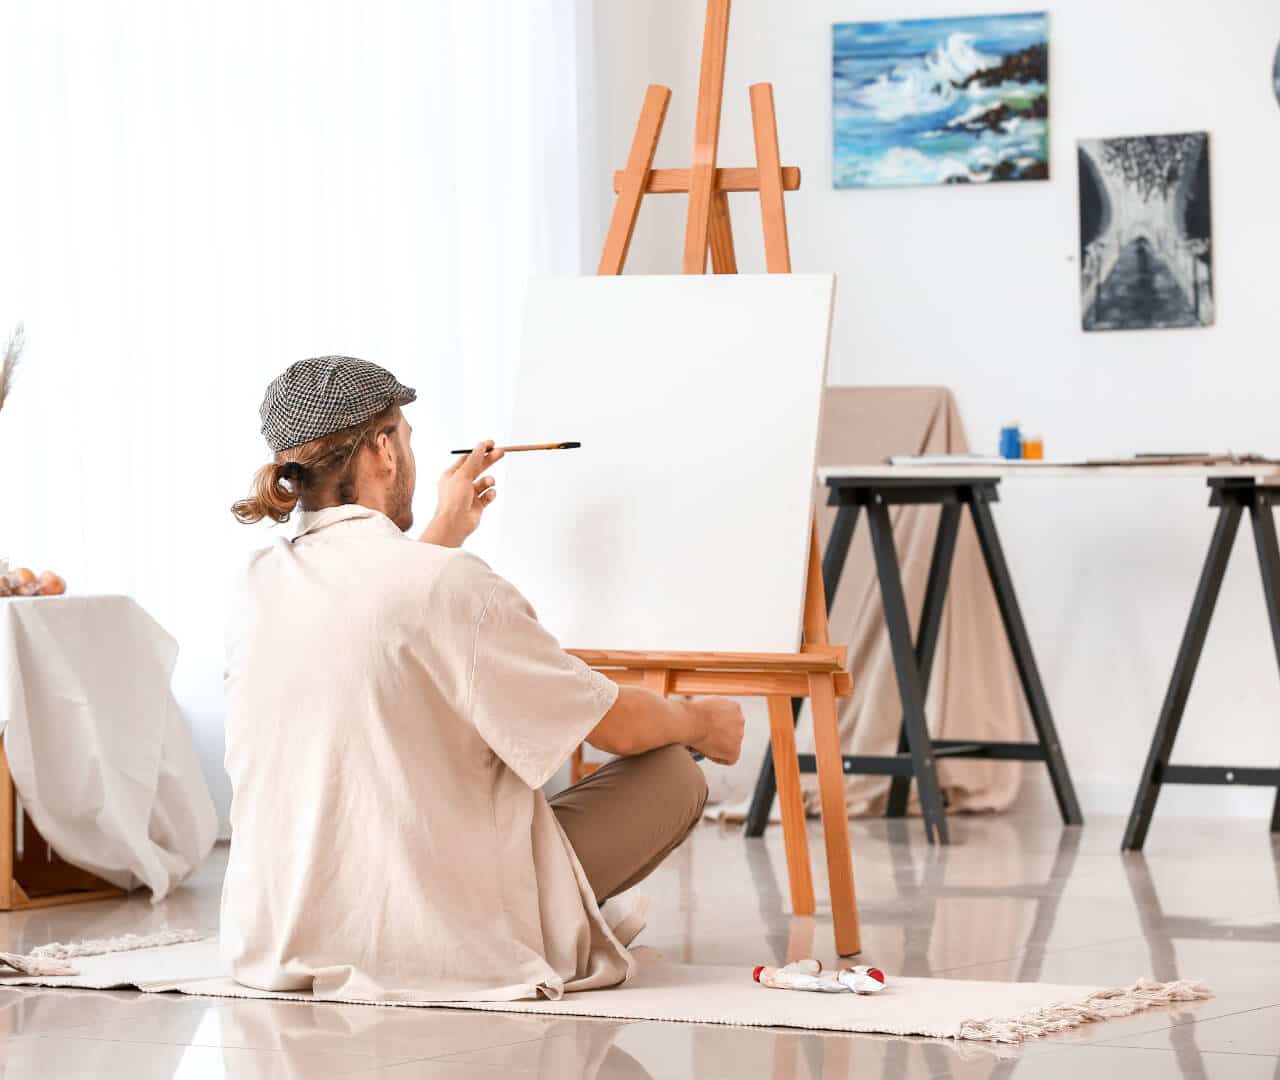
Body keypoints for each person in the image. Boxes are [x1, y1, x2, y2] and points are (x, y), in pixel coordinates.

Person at [222, 355, 745, 1002]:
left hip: (281, 934)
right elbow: (618, 728)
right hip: (438, 937)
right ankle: (561, 925)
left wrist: (445, 531)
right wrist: (704, 721)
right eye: (406, 437)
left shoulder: (257, 584)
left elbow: (379, 616)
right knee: (673, 771)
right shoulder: (449, 585)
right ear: (383, 450)